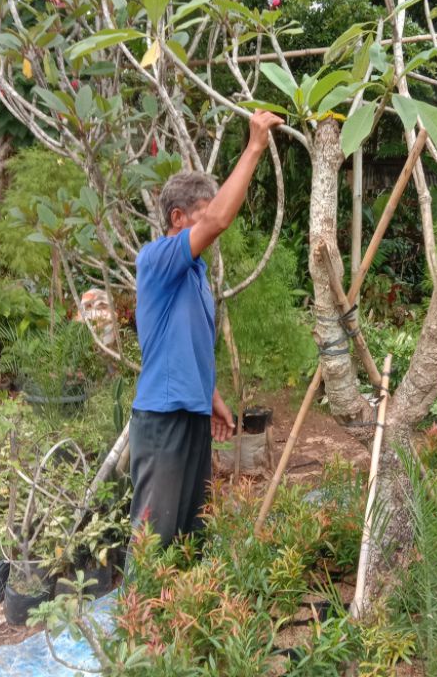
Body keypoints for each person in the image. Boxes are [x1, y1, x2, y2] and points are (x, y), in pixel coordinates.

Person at [128, 109, 284, 554]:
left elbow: (186, 344)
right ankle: (139, 622)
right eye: (202, 212)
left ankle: (182, 619)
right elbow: (219, 221)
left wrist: (211, 397)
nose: (212, 220)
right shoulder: (157, 259)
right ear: (178, 217)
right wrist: (254, 146)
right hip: (162, 421)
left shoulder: (194, 274)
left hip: (191, 415)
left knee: (191, 534)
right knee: (152, 542)